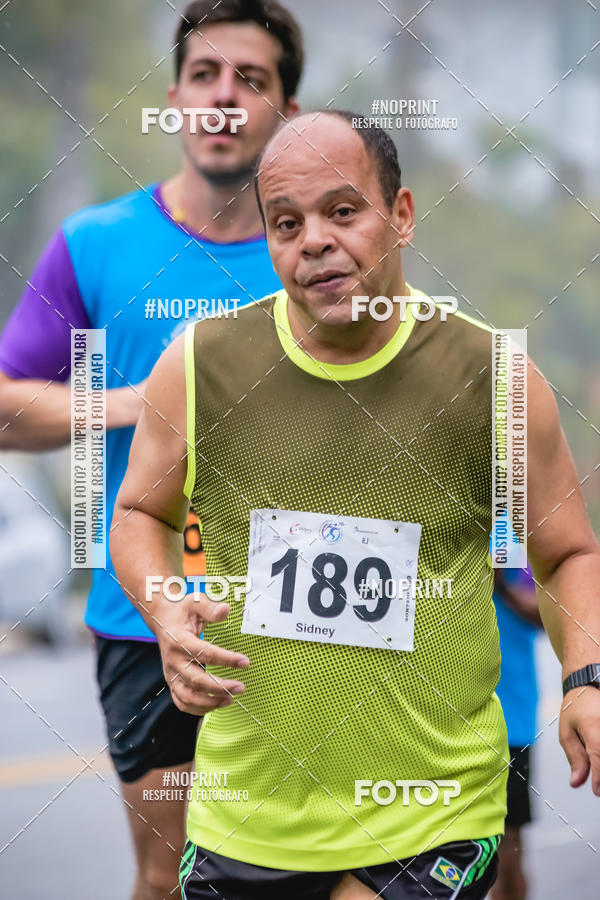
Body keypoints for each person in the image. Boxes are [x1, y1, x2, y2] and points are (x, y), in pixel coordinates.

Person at [111, 110, 600, 900]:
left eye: (343, 211)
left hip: (432, 812)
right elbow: (141, 514)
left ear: (400, 215)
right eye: (286, 223)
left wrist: (587, 680)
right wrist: (166, 607)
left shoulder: (495, 377)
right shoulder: (200, 363)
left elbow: (567, 550)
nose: (313, 241)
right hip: (248, 816)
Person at [0, 2, 303, 897]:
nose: (223, 98)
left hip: (302, 614)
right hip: (146, 611)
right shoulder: (96, 244)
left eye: (251, 80)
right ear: (174, 99)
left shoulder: (319, 249)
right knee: (170, 873)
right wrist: (139, 400)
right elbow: (7, 406)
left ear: (286, 109)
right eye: (205, 76)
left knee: (304, 867)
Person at [491, 566, 542, 900]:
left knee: (506, 849)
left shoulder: (513, 542)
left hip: (511, 719)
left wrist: (500, 586)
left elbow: (542, 612)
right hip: (444, 720)